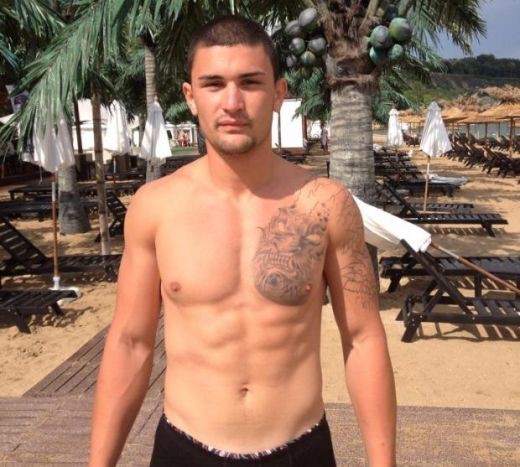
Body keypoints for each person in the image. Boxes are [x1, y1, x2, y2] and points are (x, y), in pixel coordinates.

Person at [88, 15, 396, 467]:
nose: (232, 102)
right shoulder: (156, 208)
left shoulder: (325, 204)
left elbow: (364, 339)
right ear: (190, 97)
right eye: (213, 84)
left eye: (250, 83)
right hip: (186, 448)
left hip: (299, 448)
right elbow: (130, 343)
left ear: (278, 93)